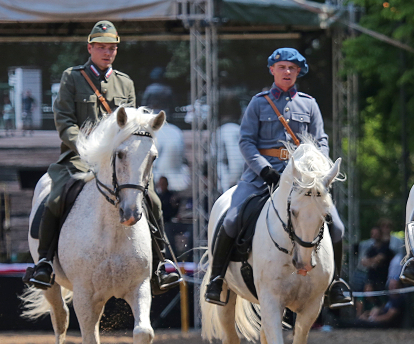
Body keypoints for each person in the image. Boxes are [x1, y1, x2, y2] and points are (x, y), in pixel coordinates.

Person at [26, 20, 181, 293]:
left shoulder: (125, 83)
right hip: (79, 158)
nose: (107, 52)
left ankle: (160, 264)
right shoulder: (72, 78)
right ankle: (45, 263)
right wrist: (86, 148)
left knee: (153, 199)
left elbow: (132, 126)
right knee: (56, 196)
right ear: (90, 48)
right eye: (101, 47)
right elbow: (64, 122)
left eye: (112, 48)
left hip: (119, 160)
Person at [204, 47, 352, 308]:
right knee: (232, 218)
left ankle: (336, 283)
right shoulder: (259, 103)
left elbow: (321, 141)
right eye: (282, 67)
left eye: (292, 68)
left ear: (298, 72)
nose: (287, 72)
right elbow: (246, 141)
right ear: (272, 70)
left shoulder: (309, 104)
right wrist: (264, 170)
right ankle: (217, 278)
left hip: (303, 181)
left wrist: (317, 169)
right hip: (261, 176)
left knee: (337, 226)